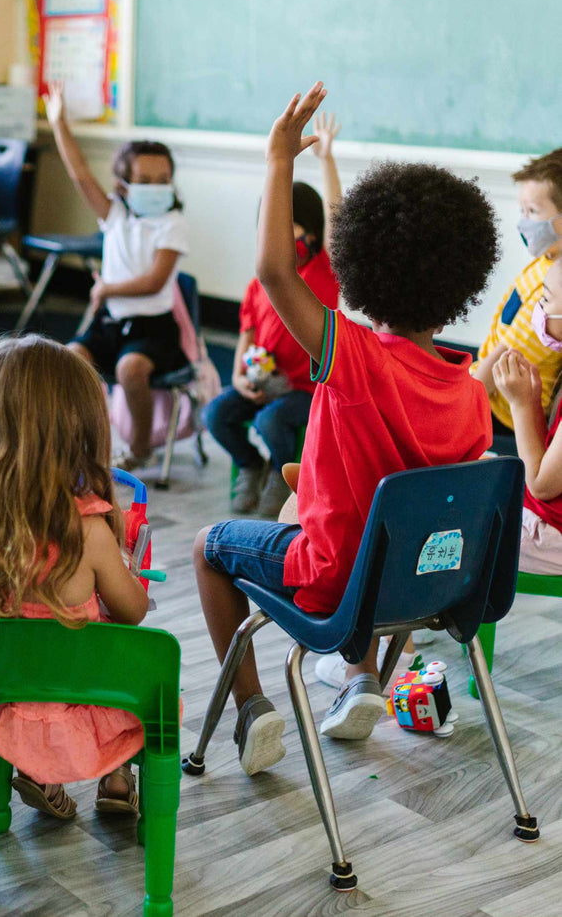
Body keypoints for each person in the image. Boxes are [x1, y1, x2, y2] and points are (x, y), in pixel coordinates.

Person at [190, 82, 498, 776]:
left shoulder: (353, 359)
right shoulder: (470, 390)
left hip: (338, 584)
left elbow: (274, 269)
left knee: (210, 548)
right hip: (427, 589)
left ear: (357, 267)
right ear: (461, 283)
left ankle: (251, 710)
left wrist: (278, 159)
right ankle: (361, 681)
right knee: (345, 518)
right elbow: (401, 488)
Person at [0, 334, 151, 819]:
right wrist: (126, 571)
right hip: (78, 703)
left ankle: (39, 774)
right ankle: (116, 775)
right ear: (75, 432)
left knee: (17, 656)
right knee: (135, 673)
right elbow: (132, 613)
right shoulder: (89, 532)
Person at [44, 83, 189, 471]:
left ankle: (141, 448)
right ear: (123, 186)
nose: (156, 187)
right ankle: (81, 443)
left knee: (130, 369)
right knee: (71, 358)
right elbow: (79, 173)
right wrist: (59, 122)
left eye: (164, 180)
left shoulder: (172, 225)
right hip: (111, 325)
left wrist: (106, 288)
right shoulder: (116, 216)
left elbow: (155, 282)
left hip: (154, 331)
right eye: (145, 180)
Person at [205, 111, 342, 518]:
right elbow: (247, 334)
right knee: (217, 413)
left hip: (304, 389)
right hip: (262, 381)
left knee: (271, 423)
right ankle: (252, 465)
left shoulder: (323, 272)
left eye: (291, 226)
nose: (280, 235)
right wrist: (236, 378)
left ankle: (286, 479)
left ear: (312, 234)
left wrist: (327, 160)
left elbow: (336, 213)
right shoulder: (257, 282)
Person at [473, 147, 562, 434]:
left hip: (505, 413)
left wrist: (460, 403)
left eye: (533, 211)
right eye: (522, 210)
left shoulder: (554, 288)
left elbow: (505, 355)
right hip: (487, 382)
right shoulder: (546, 258)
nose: (524, 221)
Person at [492, 256, 562, 575]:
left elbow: (541, 485)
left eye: (546, 298)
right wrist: (533, 402)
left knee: (449, 514)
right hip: (545, 524)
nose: (539, 308)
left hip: (550, 535)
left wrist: (520, 404)